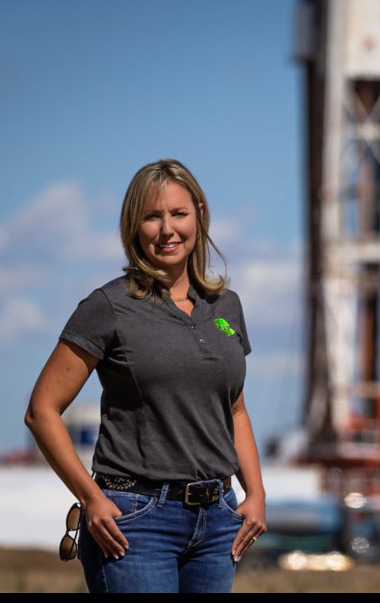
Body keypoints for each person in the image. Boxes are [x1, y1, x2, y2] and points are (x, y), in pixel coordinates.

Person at [24, 158, 266, 593]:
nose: (167, 229)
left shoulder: (226, 308)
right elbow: (42, 411)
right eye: (152, 217)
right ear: (133, 227)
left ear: (200, 214)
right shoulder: (108, 306)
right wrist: (91, 498)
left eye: (178, 214)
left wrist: (257, 495)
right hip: (135, 523)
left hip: (217, 523)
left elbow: (236, 411)